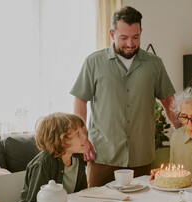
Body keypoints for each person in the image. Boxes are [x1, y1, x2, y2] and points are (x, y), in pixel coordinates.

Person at [70, 6, 181, 187]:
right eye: (124, 38)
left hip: (141, 158)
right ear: (112, 34)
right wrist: (83, 138)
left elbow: (168, 101)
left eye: (135, 37)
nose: (130, 43)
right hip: (103, 156)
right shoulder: (94, 62)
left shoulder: (154, 64)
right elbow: (80, 99)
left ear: (141, 32)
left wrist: (183, 133)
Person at [18, 113, 87, 202]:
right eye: (77, 133)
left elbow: (81, 194)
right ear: (61, 139)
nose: (84, 137)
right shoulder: (43, 163)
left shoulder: (79, 158)